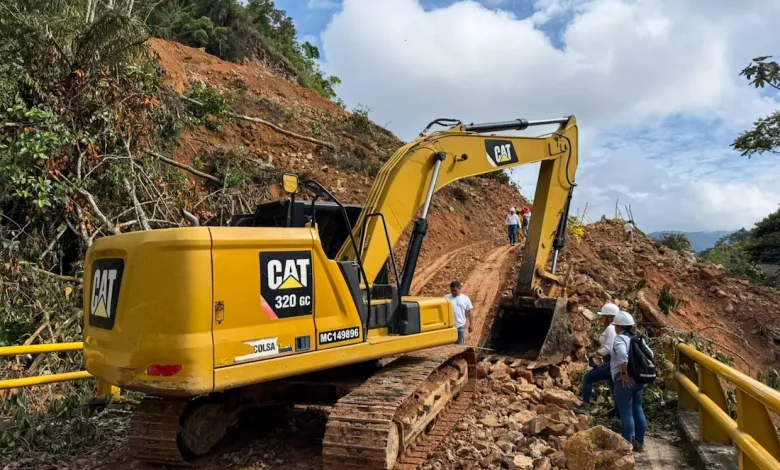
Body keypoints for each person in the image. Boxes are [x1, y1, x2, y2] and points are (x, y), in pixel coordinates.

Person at [611, 310, 650, 453]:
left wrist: (623, 372)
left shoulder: (619, 339)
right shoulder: (639, 338)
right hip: (639, 379)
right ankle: (639, 443)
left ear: (619, 327)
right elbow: (650, 354)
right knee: (638, 410)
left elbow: (622, 354)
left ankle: (626, 445)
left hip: (625, 381)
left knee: (626, 413)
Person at [575, 303, 618, 414]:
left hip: (610, 362)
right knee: (614, 388)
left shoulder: (611, 329)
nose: (602, 318)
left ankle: (586, 405)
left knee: (587, 377)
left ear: (609, 317)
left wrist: (595, 354)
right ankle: (618, 413)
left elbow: (608, 347)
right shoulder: (615, 328)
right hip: (614, 362)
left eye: (603, 316)